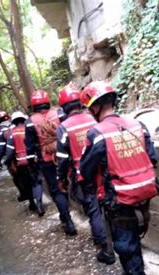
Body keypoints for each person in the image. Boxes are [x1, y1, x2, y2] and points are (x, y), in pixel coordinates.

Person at [79, 81, 159, 275]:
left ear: (94, 108)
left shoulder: (96, 134)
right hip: (144, 195)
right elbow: (152, 157)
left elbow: (85, 171)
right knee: (133, 244)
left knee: (128, 251)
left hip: (120, 200)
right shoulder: (139, 125)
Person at [56, 85, 115, 264]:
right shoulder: (93, 118)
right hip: (103, 170)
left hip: (83, 174)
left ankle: (105, 247)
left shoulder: (64, 127)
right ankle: (111, 238)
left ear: (64, 106)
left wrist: (62, 179)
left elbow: (62, 157)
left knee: (93, 209)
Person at [25, 89, 77, 235]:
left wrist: (33, 168)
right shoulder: (60, 113)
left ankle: (67, 220)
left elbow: (29, 148)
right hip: (65, 155)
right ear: (48, 102)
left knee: (56, 190)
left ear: (34, 106)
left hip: (47, 160)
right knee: (70, 181)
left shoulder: (30, 122)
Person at [5, 111, 38, 212]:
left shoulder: (12, 133)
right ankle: (39, 202)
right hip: (33, 160)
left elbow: (10, 152)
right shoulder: (30, 130)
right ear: (24, 120)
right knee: (36, 182)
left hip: (21, 163)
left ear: (14, 121)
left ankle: (32, 203)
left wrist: (8, 162)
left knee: (26, 184)